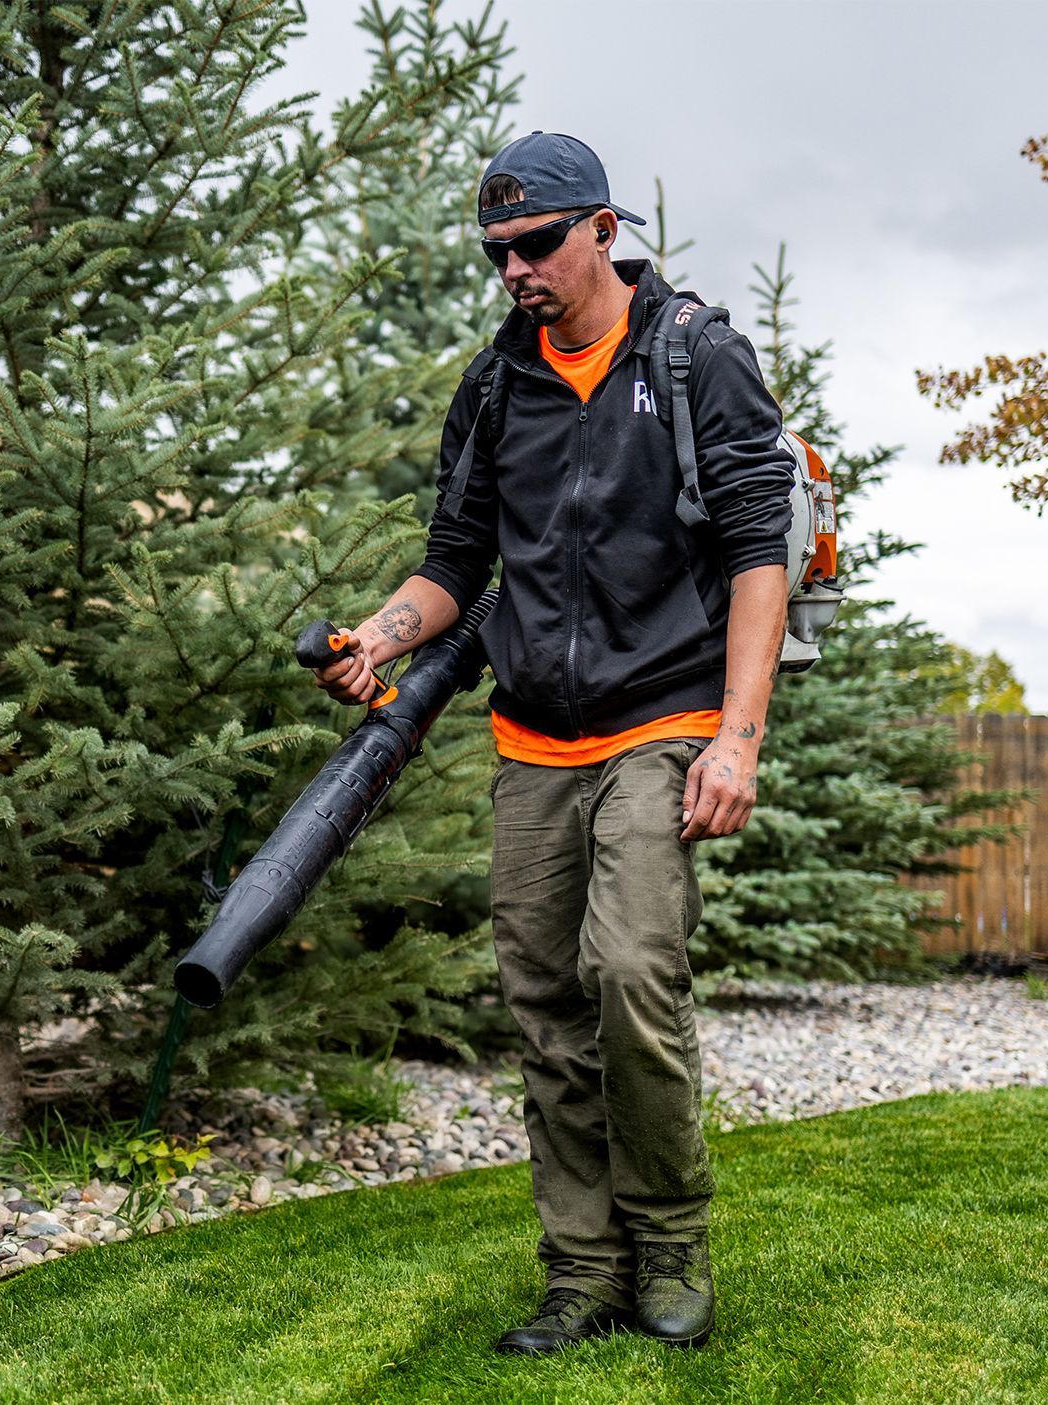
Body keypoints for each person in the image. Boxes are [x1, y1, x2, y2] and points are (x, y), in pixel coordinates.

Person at [311, 131, 793, 1353]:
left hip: (667, 719)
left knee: (630, 970)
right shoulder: (495, 387)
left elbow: (756, 554)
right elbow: (455, 565)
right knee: (542, 1005)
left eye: (536, 243)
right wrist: (380, 634)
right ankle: (582, 1267)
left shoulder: (693, 357)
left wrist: (736, 740)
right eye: (498, 251)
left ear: (603, 232)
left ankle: (669, 1241)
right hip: (534, 738)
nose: (516, 268)